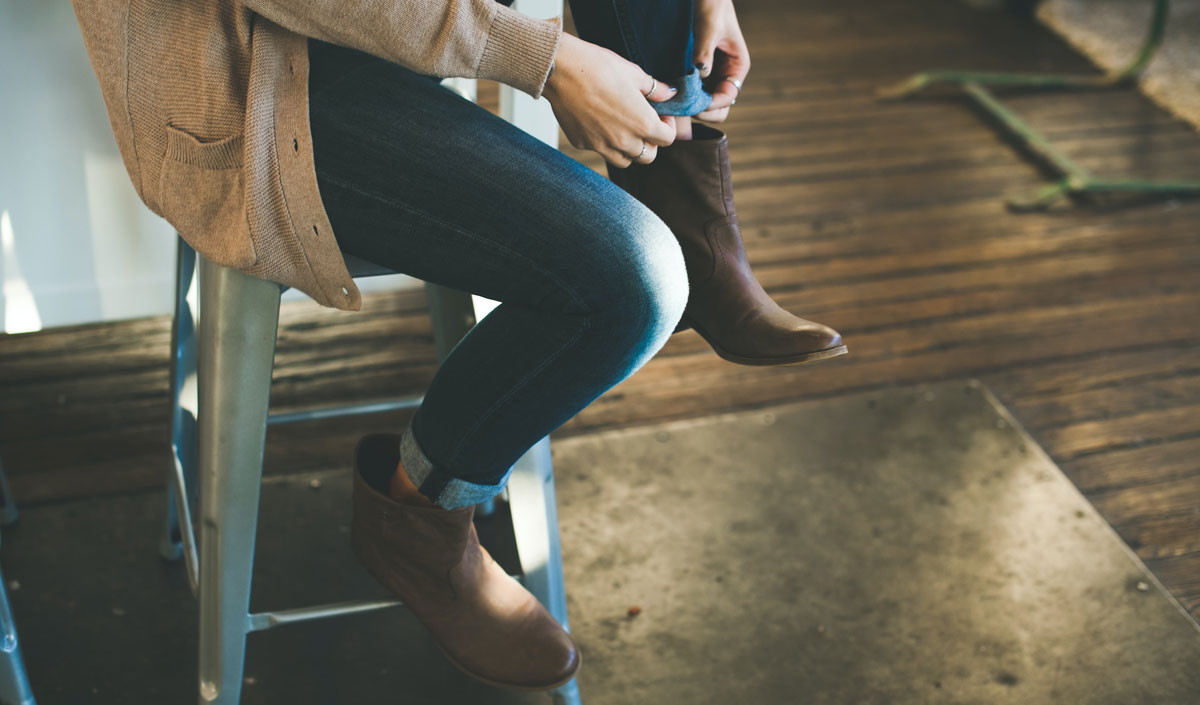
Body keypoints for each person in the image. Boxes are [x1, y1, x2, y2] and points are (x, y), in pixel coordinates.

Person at [70, 0, 845, 693]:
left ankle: (692, 213)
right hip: (257, 82)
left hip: (389, 35)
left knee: (654, 264)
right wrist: (542, 60)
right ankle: (419, 516)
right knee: (631, 281)